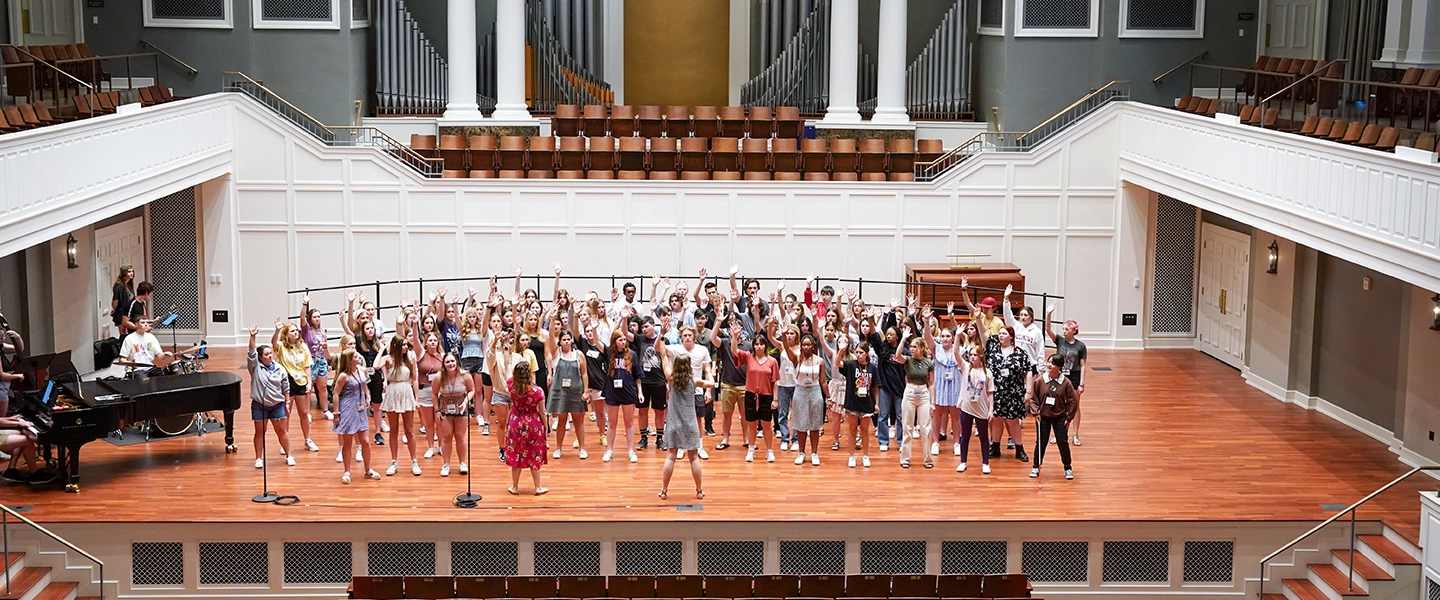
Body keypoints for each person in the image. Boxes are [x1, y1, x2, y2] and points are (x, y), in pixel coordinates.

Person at [656, 346, 712, 499]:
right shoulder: (695, 381)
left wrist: (661, 337)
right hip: (690, 424)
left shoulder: (671, 378)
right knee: (694, 458)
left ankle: (664, 491)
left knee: (670, 457)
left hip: (673, 423)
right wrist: (708, 370)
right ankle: (699, 490)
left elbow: (663, 357)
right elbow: (712, 384)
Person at [979, 323, 1034, 462]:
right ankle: (995, 447)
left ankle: (1019, 448)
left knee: (1012, 421)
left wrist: (1028, 392)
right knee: (996, 419)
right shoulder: (993, 349)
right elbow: (983, 334)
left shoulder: (1020, 353)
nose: (1000, 336)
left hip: (1013, 392)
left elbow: (1028, 372)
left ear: (1011, 337)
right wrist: (978, 318)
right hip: (996, 391)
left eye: (1004, 334)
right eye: (1000, 333)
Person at [246, 324, 294, 468]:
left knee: (281, 431)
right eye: (266, 354)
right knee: (260, 431)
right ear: (260, 358)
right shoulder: (254, 367)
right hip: (259, 404)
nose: (269, 356)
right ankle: (258, 458)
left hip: (277, 404)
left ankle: (289, 455)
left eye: (270, 353)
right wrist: (252, 337)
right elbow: (251, 353)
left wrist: (286, 401)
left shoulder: (280, 368)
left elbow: (286, 386)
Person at [731, 324, 779, 463]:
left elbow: (775, 382)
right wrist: (734, 336)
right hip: (751, 395)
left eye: (761, 344)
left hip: (766, 396)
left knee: (766, 424)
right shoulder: (748, 357)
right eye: (756, 344)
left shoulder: (772, 361)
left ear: (765, 346)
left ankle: (769, 450)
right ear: (753, 346)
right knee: (751, 424)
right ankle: (751, 449)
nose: (759, 346)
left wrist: (775, 400)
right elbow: (734, 350)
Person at [545, 314, 590, 459]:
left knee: (579, 422)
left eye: (568, 339)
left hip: (576, 392)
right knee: (561, 421)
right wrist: (552, 320)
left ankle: (582, 449)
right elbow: (551, 335)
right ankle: (558, 448)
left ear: (571, 340)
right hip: (560, 392)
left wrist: (586, 391)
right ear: (560, 341)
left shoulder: (579, 355)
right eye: (564, 339)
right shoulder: (556, 353)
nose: (566, 341)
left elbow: (584, 374)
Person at [331, 347, 378, 483]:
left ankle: (368, 469)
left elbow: (364, 386)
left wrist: (367, 396)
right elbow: (335, 393)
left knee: (366, 441)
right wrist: (336, 412)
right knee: (348, 442)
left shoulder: (361, 371)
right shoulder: (343, 376)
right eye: (356, 356)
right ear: (350, 360)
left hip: (360, 408)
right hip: (348, 408)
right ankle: (347, 471)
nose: (359, 357)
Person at [377, 333, 421, 476]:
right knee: (394, 430)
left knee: (409, 430)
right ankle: (394, 461)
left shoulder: (410, 357)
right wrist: (381, 349)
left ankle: (414, 461)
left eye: (406, 345)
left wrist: (417, 398)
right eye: (402, 345)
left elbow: (414, 379)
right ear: (395, 346)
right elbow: (376, 366)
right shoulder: (388, 359)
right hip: (393, 391)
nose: (405, 347)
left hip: (406, 391)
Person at [1029, 353, 1077, 480]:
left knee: (1063, 443)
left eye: (1053, 363)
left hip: (1060, 417)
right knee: (1041, 443)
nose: (1049, 365)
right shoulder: (1040, 381)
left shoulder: (1066, 383)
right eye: (1048, 362)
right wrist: (1036, 413)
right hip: (1043, 417)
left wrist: (1069, 417)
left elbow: (1073, 400)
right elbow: (1033, 398)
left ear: (1059, 367)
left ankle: (1068, 468)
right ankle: (1036, 466)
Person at [781, 332, 827, 466]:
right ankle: (801, 452)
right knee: (800, 425)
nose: (806, 347)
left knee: (814, 425)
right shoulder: (797, 359)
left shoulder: (820, 361)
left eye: (808, 345)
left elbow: (823, 381)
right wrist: (784, 334)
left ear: (813, 346)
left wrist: (828, 397)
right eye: (804, 345)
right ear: (801, 346)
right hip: (800, 391)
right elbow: (786, 347)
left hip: (815, 391)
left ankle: (814, 453)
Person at [1044, 306, 1088, 445]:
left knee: (1074, 405)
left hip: (1074, 376)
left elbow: (1082, 365)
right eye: (1063, 329)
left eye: (1066, 329)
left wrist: (1082, 383)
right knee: (1060, 405)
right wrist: (1048, 314)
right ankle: (1060, 433)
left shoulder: (1081, 346)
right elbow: (1048, 330)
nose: (1063, 331)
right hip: (1060, 375)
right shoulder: (1059, 341)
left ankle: (1075, 434)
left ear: (1074, 330)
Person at [273, 319, 318, 453]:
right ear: (286, 334)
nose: (296, 333)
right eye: (292, 331)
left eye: (296, 330)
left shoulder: (303, 346)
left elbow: (307, 365)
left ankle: (307, 440)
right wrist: (277, 330)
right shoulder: (281, 346)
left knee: (304, 413)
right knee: (286, 413)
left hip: (301, 382)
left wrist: (309, 382)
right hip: (287, 382)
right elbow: (273, 343)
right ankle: (283, 442)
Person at [504, 362, 549, 495]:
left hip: (515, 423)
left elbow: (506, 372)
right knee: (534, 454)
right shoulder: (538, 391)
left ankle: (515, 487)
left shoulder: (512, 386)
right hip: (533, 425)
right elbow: (542, 412)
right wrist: (545, 427)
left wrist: (507, 353)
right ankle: (538, 487)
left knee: (516, 454)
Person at [898, 320, 935, 469]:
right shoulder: (908, 360)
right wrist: (903, 339)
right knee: (907, 427)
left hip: (924, 394)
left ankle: (927, 458)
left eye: (914, 347)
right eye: (911, 346)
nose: (912, 349)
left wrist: (933, 401)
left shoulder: (928, 363)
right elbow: (898, 354)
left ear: (921, 348)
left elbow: (931, 383)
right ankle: (905, 458)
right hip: (910, 392)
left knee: (925, 427)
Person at [603, 329, 641, 463]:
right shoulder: (609, 353)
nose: (623, 342)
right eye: (620, 340)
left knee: (629, 422)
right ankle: (609, 450)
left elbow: (637, 376)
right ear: (614, 341)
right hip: (612, 391)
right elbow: (596, 342)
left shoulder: (632, 355)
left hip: (628, 391)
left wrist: (640, 392)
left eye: (625, 339)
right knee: (612, 424)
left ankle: (631, 450)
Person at [433, 352, 474, 477]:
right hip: (445, 410)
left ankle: (462, 463)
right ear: (444, 364)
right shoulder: (438, 377)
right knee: (446, 437)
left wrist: (466, 401)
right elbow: (434, 394)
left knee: (460, 437)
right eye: (447, 362)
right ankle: (446, 464)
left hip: (461, 409)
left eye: (452, 361)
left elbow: (472, 390)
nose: (450, 364)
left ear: (456, 362)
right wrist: (437, 410)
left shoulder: (465, 375)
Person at [839, 341, 878, 468]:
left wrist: (876, 404)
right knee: (852, 430)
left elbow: (875, 388)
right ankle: (852, 456)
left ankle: (865, 455)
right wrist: (841, 351)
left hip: (867, 403)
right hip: (852, 402)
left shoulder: (872, 368)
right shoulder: (851, 364)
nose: (858, 355)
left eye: (861, 353)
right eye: (857, 352)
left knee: (865, 431)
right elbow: (836, 363)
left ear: (867, 354)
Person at [956, 345, 994, 474]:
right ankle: (963, 461)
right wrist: (958, 336)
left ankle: (985, 463)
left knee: (983, 436)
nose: (972, 357)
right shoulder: (966, 368)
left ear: (981, 356)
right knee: (965, 436)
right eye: (971, 355)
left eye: (975, 355)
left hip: (982, 408)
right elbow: (956, 353)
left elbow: (990, 392)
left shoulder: (987, 373)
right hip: (967, 408)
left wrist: (991, 410)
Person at [411, 329, 443, 460]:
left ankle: (441, 446)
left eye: (435, 340)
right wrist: (414, 323)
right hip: (425, 390)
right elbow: (415, 338)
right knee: (428, 423)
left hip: (439, 393)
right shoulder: (420, 354)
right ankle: (431, 447)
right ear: (426, 342)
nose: (433, 342)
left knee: (439, 421)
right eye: (430, 340)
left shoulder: (443, 355)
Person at [299, 295, 333, 420]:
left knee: (322, 387)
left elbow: (325, 348)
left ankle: (325, 410)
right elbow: (302, 317)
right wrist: (304, 304)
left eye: (319, 316)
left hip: (321, 361)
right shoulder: (307, 330)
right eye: (314, 317)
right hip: (311, 361)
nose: (317, 319)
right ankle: (307, 412)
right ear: (310, 318)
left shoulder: (322, 331)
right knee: (310, 387)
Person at [110, 264, 135, 333]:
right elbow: (115, 302)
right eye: (129, 272)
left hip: (129, 314)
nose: (131, 273)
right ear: (124, 273)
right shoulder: (119, 287)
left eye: (132, 271)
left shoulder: (129, 285)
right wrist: (116, 310)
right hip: (122, 314)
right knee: (124, 335)